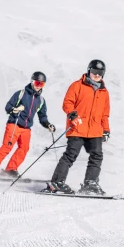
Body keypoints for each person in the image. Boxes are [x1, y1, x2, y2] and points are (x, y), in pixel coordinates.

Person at [42, 60, 110, 195]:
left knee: (97, 156)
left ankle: (90, 183)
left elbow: (105, 114)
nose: (97, 75)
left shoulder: (104, 92)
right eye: (94, 72)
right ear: (89, 70)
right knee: (70, 155)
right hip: (77, 127)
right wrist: (72, 115)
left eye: (100, 73)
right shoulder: (77, 86)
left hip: (95, 130)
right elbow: (67, 103)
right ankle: (57, 183)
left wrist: (106, 130)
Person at [0, 72, 55, 178]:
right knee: (7, 147)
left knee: (23, 149)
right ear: (32, 82)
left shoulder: (41, 100)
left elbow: (42, 116)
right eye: (37, 83)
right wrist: (15, 109)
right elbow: (8, 107)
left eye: (41, 84)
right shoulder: (21, 94)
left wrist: (48, 124)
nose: (38, 86)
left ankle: (10, 170)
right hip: (14, 124)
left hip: (26, 128)